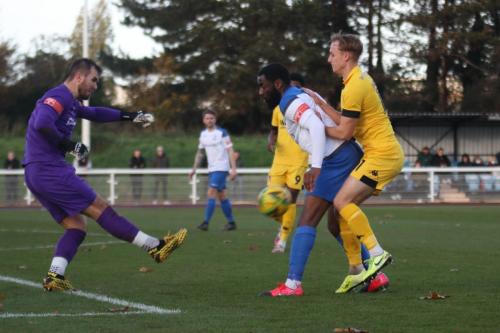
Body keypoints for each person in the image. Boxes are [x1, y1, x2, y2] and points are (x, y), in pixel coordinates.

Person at [22, 58, 187, 291]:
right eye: (94, 80)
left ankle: (54, 276)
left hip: (37, 172)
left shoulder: (70, 101)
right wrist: (69, 145)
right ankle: (154, 246)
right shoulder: (59, 96)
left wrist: (129, 116)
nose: (95, 86)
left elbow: (95, 113)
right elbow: (41, 123)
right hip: (48, 169)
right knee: (100, 207)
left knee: (77, 227)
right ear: (79, 77)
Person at [304, 33, 404, 293]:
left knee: (341, 202)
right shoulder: (357, 80)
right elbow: (344, 122)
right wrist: (321, 105)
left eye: (332, 54)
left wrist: (313, 127)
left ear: (345, 56)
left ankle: (377, 252)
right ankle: (356, 270)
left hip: (382, 156)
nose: (329, 60)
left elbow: (343, 133)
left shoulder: (354, 86)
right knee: (340, 209)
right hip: (378, 154)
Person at [257, 63, 365, 297]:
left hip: (335, 159)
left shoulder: (288, 100)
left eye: (263, 86)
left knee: (307, 220)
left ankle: (292, 285)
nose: (260, 92)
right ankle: (374, 272)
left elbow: (316, 127)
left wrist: (315, 168)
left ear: (277, 84)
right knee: (335, 223)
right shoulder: (301, 94)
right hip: (346, 154)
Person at [266, 73, 309, 254]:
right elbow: (273, 131)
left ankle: (282, 240)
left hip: (299, 161)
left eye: (297, 87)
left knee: (290, 201)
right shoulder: (278, 109)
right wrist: (270, 141)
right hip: (279, 161)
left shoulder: (307, 110)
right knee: (271, 201)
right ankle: (284, 225)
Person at [189, 110, 238, 231]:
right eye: (207, 118)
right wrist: (194, 169)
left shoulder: (222, 133)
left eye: (211, 118)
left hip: (221, 168)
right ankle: (231, 222)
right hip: (212, 169)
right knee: (222, 196)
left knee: (211, 193)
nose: (209, 120)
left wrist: (233, 169)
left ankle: (205, 223)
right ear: (203, 120)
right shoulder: (203, 135)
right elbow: (200, 153)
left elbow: (230, 150)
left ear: (215, 120)